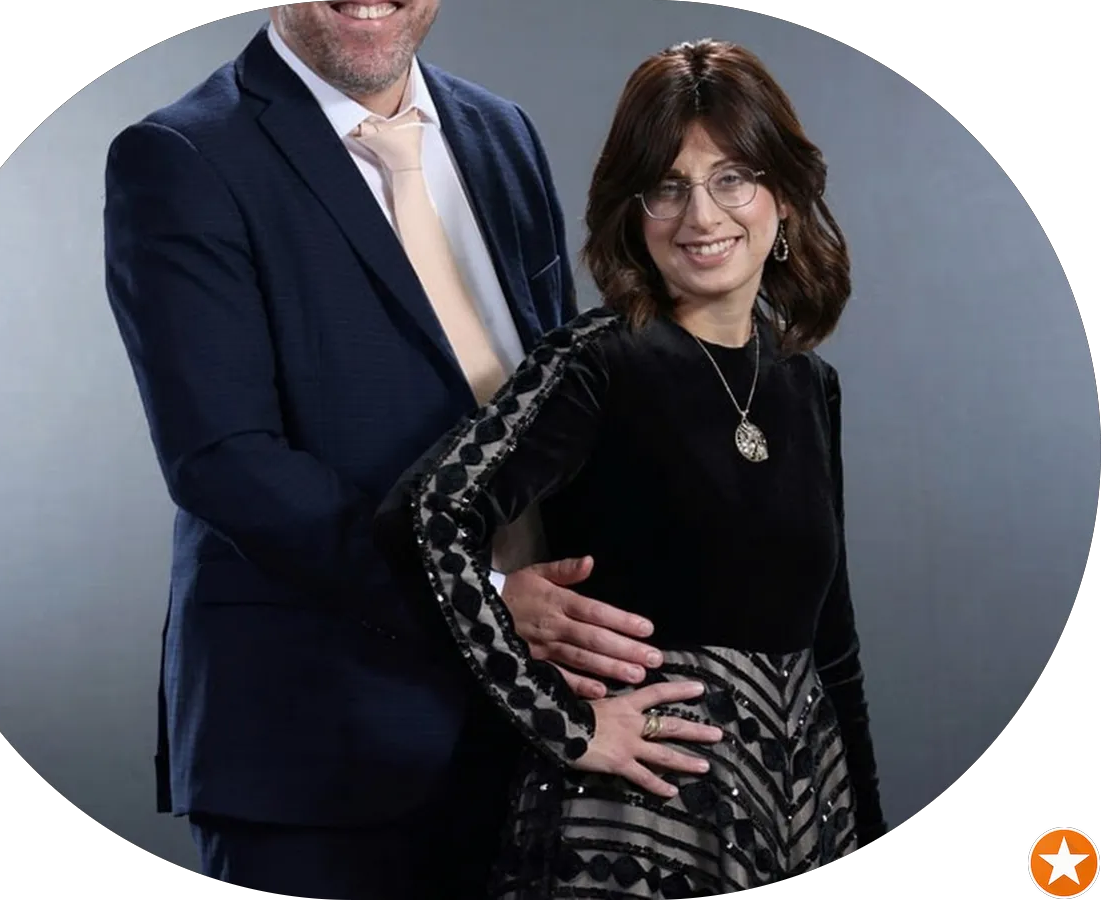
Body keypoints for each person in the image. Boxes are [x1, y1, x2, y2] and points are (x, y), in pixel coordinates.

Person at [101, 4, 704, 899]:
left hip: (537, 724)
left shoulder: (499, 132)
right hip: (324, 747)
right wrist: (482, 600)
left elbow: (550, 407)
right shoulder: (183, 156)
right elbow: (223, 460)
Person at [374, 38, 889, 898]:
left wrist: (865, 822)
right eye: (667, 186)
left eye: (732, 178)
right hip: (635, 823)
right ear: (633, 210)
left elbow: (833, 641)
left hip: (803, 802)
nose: (701, 216)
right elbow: (426, 517)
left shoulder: (807, 382)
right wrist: (562, 724)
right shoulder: (598, 362)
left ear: (786, 197)